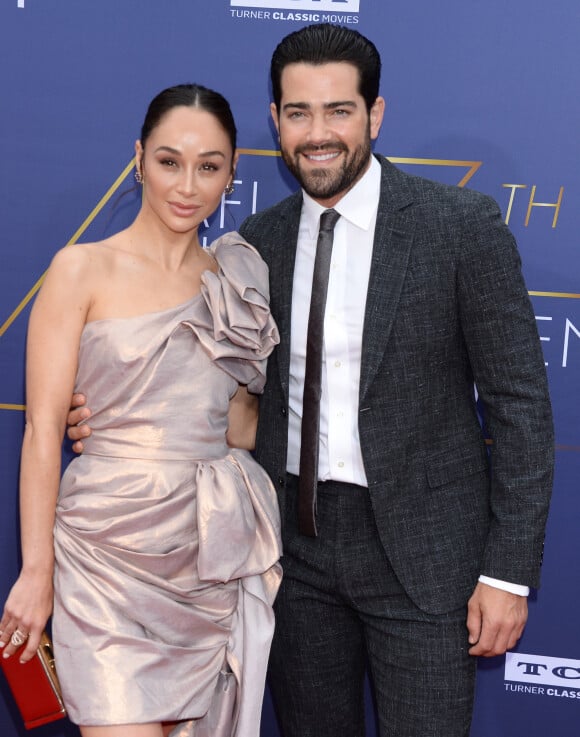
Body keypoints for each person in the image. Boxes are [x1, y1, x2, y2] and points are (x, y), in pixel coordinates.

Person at [66, 23, 554, 737]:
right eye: (298, 113)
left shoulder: (459, 227)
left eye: (338, 111)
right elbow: (216, 394)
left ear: (375, 115)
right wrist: (113, 419)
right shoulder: (252, 248)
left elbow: (520, 408)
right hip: (292, 555)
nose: (317, 132)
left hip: (425, 560)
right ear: (275, 121)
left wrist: (507, 573)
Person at [0, 83, 282, 737]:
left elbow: (239, 425)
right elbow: (43, 429)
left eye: (209, 166)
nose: (187, 185)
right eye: (169, 160)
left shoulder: (237, 282)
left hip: (204, 556)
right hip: (105, 555)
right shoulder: (80, 269)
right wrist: (36, 570)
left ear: (233, 171)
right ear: (138, 158)